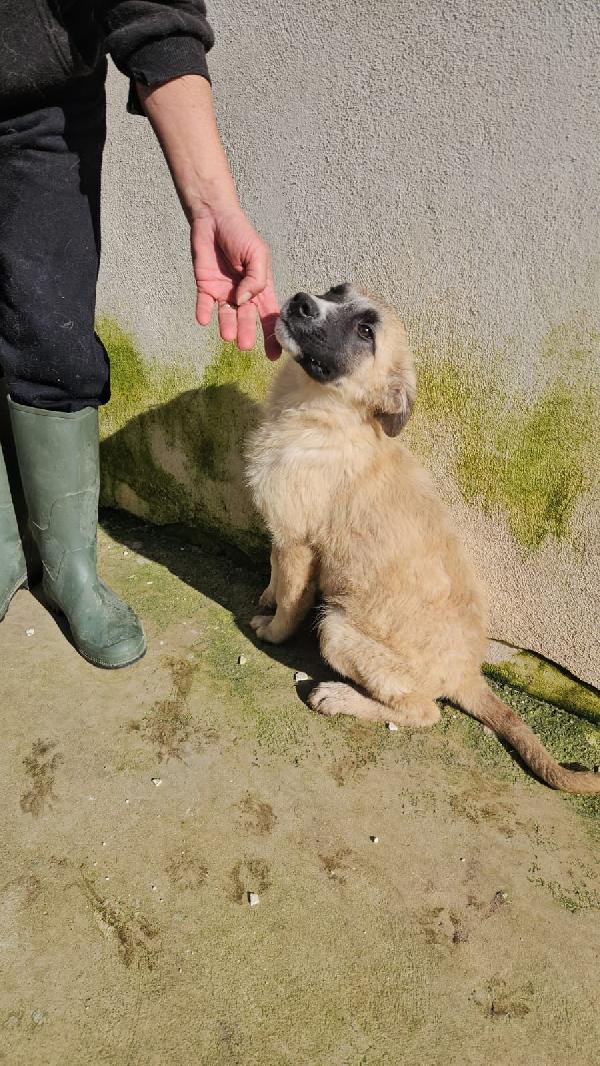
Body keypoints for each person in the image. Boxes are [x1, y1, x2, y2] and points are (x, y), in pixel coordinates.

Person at [0, 1, 280, 669]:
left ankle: (67, 570)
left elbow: (152, 7)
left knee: (53, 338)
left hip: (38, 109)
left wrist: (212, 202)